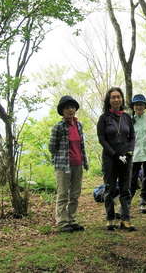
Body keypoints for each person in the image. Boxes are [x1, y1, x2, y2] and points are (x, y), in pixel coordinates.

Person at [97, 87, 135, 231]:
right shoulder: (104, 118)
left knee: (125, 189)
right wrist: (115, 154)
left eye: (118, 97)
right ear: (109, 100)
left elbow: (132, 137)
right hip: (110, 158)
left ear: (122, 99)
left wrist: (129, 152)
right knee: (110, 188)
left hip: (126, 158)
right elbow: (102, 139)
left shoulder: (127, 117)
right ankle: (110, 218)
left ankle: (125, 219)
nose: (116, 99)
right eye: (113, 97)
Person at [49, 95, 89, 232]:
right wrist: (60, 158)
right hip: (63, 166)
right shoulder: (58, 127)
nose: (70, 110)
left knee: (75, 194)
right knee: (63, 193)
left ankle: (71, 219)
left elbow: (81, 145)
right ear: (62, 110)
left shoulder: (79, 125)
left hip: (77, 164)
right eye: (67, 108)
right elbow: (51, 147)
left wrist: (85, 161)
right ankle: (62, 222)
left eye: (72, 107)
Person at [129, 94, 146, 214]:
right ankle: (127, 199)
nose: (139, 106)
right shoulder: (130, 120)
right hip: (134, 153)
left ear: (144, 106)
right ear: (133, 107)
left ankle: (144, 200)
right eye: (136, 104)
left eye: (141, 104)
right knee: (132, 177)